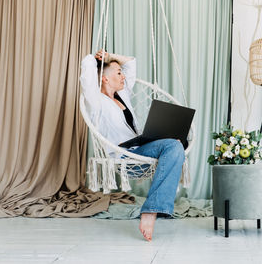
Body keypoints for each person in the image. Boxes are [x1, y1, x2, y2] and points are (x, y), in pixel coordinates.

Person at [79, 50, 185, 242]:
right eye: (118, 73)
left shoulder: (123, 95)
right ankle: (151, 212)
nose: (123, 76)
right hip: (123, 156)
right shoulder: (95, 102)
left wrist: (112, 56)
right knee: (173, 147)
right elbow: (86, 68)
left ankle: (152, 208)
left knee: (176, 144)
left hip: (140, 149)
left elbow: (131, 62)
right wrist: (99, 60)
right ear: (104, 79)